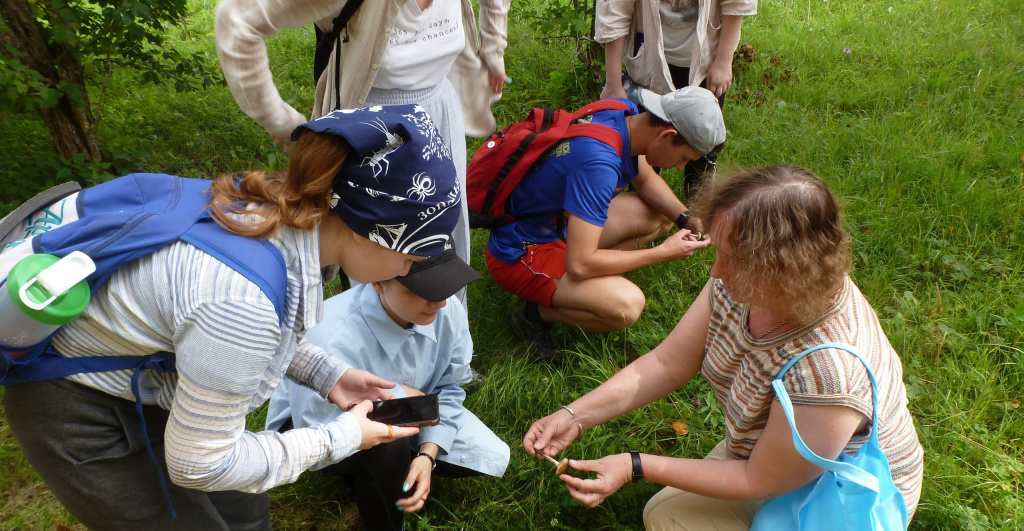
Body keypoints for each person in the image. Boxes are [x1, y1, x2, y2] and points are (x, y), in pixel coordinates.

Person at [3, 105, 464, 530]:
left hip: (150, 364)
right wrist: (342, 437)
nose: (412, 269)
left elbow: (225, 333)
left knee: (242, 509)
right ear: (366, 229)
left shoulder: (282, 215)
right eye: (413, 254)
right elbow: (201, 462)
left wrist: (329, 375)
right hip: (77, 401)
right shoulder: (239, 306)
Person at [523, 165, 924, 530]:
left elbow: (758, 479)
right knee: (664, 515)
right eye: (719, 250)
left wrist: (635, 466)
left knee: (672, 521)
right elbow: (666, 362)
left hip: (840, 499)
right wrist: (576, 415)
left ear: (786, 267)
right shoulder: (758, 285)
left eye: (733, 259)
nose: (716, 272)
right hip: (775, 458)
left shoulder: (829, 371)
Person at [215, 0, 511, 301]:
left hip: (439, 107)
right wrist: (283, 122)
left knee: (441, 242)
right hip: (371, 126)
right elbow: (238, 20)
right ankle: (367, 343)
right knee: (377, 256)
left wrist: (492, 48)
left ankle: (445, 341)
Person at [267, 245, 510, 531]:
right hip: (322, 424)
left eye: (444, 287)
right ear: (377, 281)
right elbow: (315, 424)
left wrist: (427, 456)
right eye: (420, 290)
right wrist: (399, 397)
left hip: (418, 411)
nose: (439, 303)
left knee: (488, 454)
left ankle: (397, 467)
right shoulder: (331, 334)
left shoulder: (447, 309)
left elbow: (451, 387)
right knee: (388, 448)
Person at [486, 86, 723, 358]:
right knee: (626, 306)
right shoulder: (599, 165)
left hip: (555, 225)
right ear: (667, 135)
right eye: (683, 158)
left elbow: (644, 180)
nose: (681, 167)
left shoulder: (622, 112)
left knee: (660, 216)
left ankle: (581, 287)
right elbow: (580, 264)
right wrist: (661, 254)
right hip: (520, 251)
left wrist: (685, 218)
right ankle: (532, 314)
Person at [595, 0, 757, 194]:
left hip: (706, 64)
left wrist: (724, 59)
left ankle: (699, 209)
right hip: (648, 63)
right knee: (645, 139)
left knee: (700, 146)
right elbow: (614, 9)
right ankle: (643, 203)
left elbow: (735, 3)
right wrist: (613, 82)